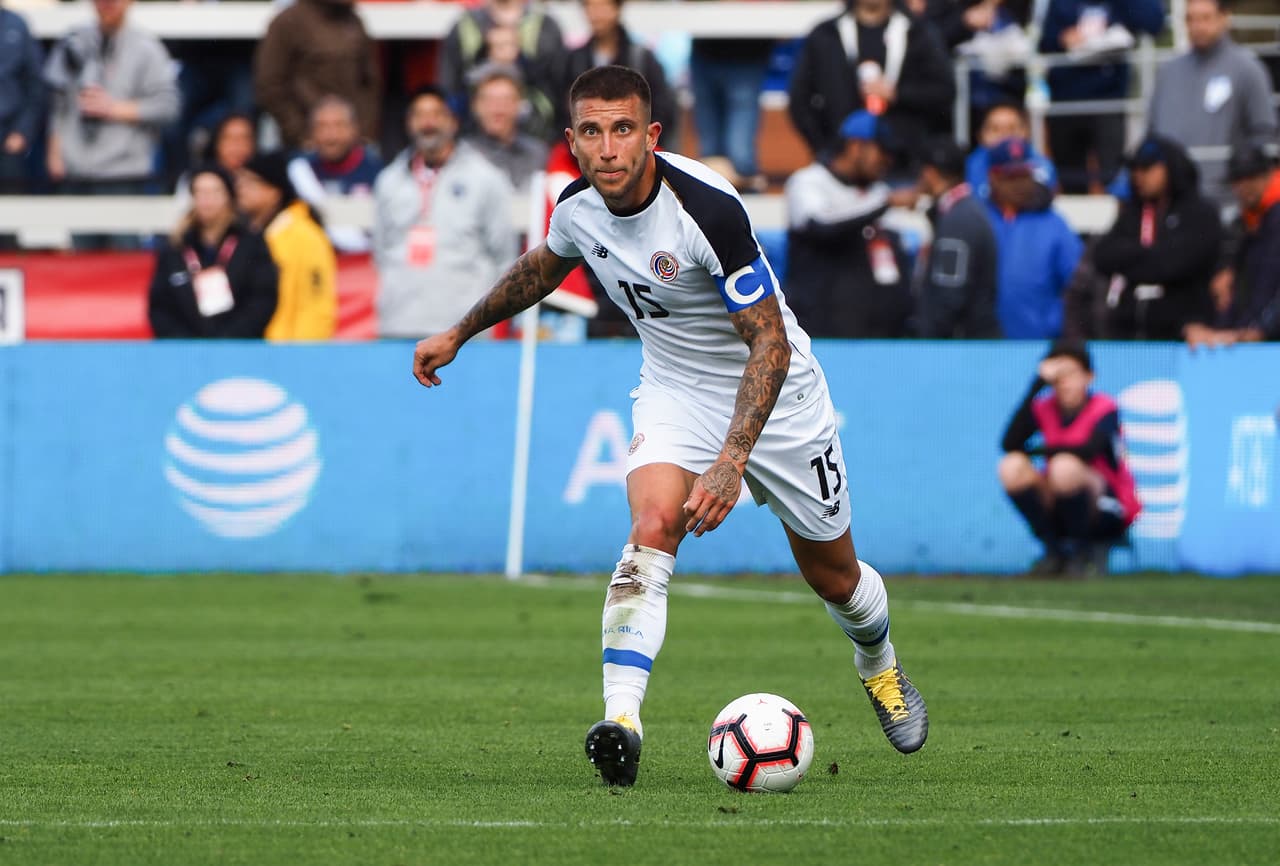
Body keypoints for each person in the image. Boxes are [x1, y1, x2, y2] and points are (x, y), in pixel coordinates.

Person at [411, 66, 929, 787]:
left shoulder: (706, 211)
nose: (608, 148)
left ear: (651, 135)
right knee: (652, 526)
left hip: (778, 397)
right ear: (573, 141)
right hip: (675, 391)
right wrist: (460, 332)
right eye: (591, 132)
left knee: (835, 578)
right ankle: (621, 722)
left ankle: (880, 667)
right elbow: (542, 267)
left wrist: (730, 461)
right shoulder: (578, 207)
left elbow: (769, 343)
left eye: (623, 129)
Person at [373, 85, 518, 339]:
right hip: (399, 323)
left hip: (464, 328)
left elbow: (504, 254)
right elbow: (380, 250)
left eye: (436, 114)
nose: (428, 123)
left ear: (453, 122)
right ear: (409, 123)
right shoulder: (389, 181)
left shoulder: (486, 178)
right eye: (419, 115)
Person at [42, 0, 180, 247]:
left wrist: (114, 108)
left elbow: (168, 106)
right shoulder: (73, 41)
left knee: (124, 254)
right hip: (77, 169)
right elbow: (57, 102)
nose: (107, 4)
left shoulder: (147, 48)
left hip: (123, 172)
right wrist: (55, 151)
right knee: (81, 258)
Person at [998, 340, 1141, 576]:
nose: (1064, 383)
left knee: (1064, 467)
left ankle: (1080, 552)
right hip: (1058, 499)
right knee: (1011, 467)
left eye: (1071, 373)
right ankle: (1053, 551)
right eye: (1058, 376)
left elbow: (1088, 451)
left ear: (1089, 376)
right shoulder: (1045, 407)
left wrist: (1042, 451)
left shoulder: (1104, 408)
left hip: (1106, 505)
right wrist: (1036, 385)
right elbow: (1009, 443)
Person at [783, 110, 913, 338]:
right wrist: (882, 205)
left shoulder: (879, 192)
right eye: (881, 150)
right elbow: (822, 226)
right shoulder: (808, 181)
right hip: (819, 331)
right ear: (855, 146)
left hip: (874, 334)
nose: (887, 160)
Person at [788, 0, 955, 170]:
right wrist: (825, 149)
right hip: (840, 165)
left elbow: (944, 91)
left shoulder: (918, 32)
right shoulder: (826, 34)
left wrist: (898, 94)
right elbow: (800, 99)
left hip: (904, 165)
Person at [1148, 0, 1278, 208]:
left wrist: (1241, 178)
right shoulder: (1168, 73)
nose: (1198, 26)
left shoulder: (1248, 69)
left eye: (1205, 18)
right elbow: (1152, 133)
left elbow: (1264, 133)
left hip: (1227, 201)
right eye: (1191, 19)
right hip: (1171, 199)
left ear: (1224, 18)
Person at [1092, 136, 1222, 340]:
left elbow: (1176, 263)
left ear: (1170, 168)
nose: (1139, 176)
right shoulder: (1134, 213)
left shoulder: (1199, 212)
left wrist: (1133, 261)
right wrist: (1151, 255)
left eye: (1147, 169)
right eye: (1134, 170)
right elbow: (1104, 255)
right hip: (1129, 330)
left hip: (1183, 333)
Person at [1037, 0, 1165, 194]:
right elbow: (1045, 41)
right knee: (1071, 179)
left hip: (1110, 100)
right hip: (1066, 101)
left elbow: (1153, 22)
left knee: (1112, 176)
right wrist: (1062, 38)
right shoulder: (1061, 4)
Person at [148, 166, 278, 338]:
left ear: (229, 197)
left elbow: (262, 299)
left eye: (215, 192)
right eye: (200, 192)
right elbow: (159, 306)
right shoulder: (176, 247)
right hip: (185, 353)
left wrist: (228, 340)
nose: (207, 199)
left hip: (240, 350)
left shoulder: (251, 244)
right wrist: (185, 344)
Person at [985, 137, 1083, 338]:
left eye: (1025, 175)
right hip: (983, 347)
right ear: (992, 177)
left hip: (1040, 345)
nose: (1020, 184)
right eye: (1011, 176)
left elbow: (1079, 284)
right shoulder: (979, 218)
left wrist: (1056, 326)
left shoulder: (1054, 223)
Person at [236, 151, 338, 341]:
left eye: (250, 183)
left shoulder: (305, 236)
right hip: (257, 348)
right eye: (240, 182)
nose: (241, 189)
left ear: (274, 192)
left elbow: (316, 305)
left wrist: (302, 356)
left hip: (288, 352)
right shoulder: (248, 236)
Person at [253, 0, 381, 150]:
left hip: (353, 143)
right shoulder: (288, 22)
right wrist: (301, 134)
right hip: (304, 145)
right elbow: (270, 84)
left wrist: (363, 131)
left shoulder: (353, 20)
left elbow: (370, 82)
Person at [1185, 145, 1280, 347]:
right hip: (1250, 339)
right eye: (1238, 180)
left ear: (1268, 175)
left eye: (1251, 178)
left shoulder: (1273, 218)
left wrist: (1262, 327)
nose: (1243, 187)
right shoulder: (1247, 221)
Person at [438, 0, 566, 142]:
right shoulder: (464, 26)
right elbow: (450, 90)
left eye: (509, 45)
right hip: (474, 142)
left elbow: (557, 91)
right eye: (498, 46)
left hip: (535, 139)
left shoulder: (545, 25)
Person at [914, 137, 1000, 338]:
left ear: (930, 173)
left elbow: (950, 294)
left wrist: (929, 337)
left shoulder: (959, 219)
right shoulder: (964, 211)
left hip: (963, 346)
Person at [561, 0, 678, 138]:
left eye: (603, 6)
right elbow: (563, 109)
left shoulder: (641, 58)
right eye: (589, 6)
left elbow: (662, 109)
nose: (596, 14)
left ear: (617, 8)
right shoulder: (574, 60)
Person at [289, 95, 384, 254]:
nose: (331, 136)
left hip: (362, 266)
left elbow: (378, 221)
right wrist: (356, 212)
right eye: (322, 127)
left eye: (339, 126)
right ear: (311, 133)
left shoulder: (376, 171)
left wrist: (321, 211)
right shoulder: (299, 171)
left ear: (354, 130)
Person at [461, 64, 549, 195]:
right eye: (490, 101)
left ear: (520, 105)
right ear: (475, 106)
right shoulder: (461, 156)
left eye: (506, 100)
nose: (498, 109)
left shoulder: (539, 155)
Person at [965, 100, 1058, 202]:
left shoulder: (1040, 163)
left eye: (1012, 129)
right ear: (981, 135)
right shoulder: (969, 167)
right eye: (995, 129)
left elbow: (1051, 196)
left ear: (1026, 132)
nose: (1004, 136)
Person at [0, 1, 44, 195]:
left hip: (7, 138)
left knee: (10, 214)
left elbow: (36, 84)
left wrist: (22, 132)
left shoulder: (16, 25)